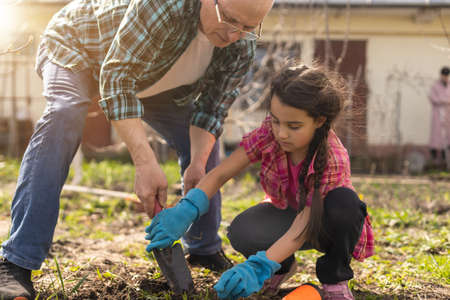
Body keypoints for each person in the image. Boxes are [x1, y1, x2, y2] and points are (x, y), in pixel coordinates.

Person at [0, 0, 275, 298]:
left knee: (205, 155)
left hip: (152, 78)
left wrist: (197, 164)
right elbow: (117, 80)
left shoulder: (240, 44)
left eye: (248, 27)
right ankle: (17, 262)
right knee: (64, 114)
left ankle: (204, 250)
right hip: (79, 48)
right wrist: (145, 163)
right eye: (230, 20)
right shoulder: (165, 5)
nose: (235, 35)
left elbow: (210, 111)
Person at [146, 63, 374, 300]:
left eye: (293, 126)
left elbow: (303, 226)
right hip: (288, 213)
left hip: (325, 224)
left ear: (319, 120)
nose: (281, 133)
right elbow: (221, 173)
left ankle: (334, 279)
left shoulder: (332, 157)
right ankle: (281, 267)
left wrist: (258, 267)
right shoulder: (270, 135)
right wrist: (188, 207)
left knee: (345, 203)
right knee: (243, 231)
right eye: (275, 121)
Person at [428, 66, 450, 167]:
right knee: (437, 137)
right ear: (441, 75)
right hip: (438, 114)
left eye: (447, 76)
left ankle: (446, 161)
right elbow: (432, 98)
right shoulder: (435, 86)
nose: (446, 78)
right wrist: (443, 101)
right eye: (444, 75)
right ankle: (436, 160)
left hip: (448, 115)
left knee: (447, 137)